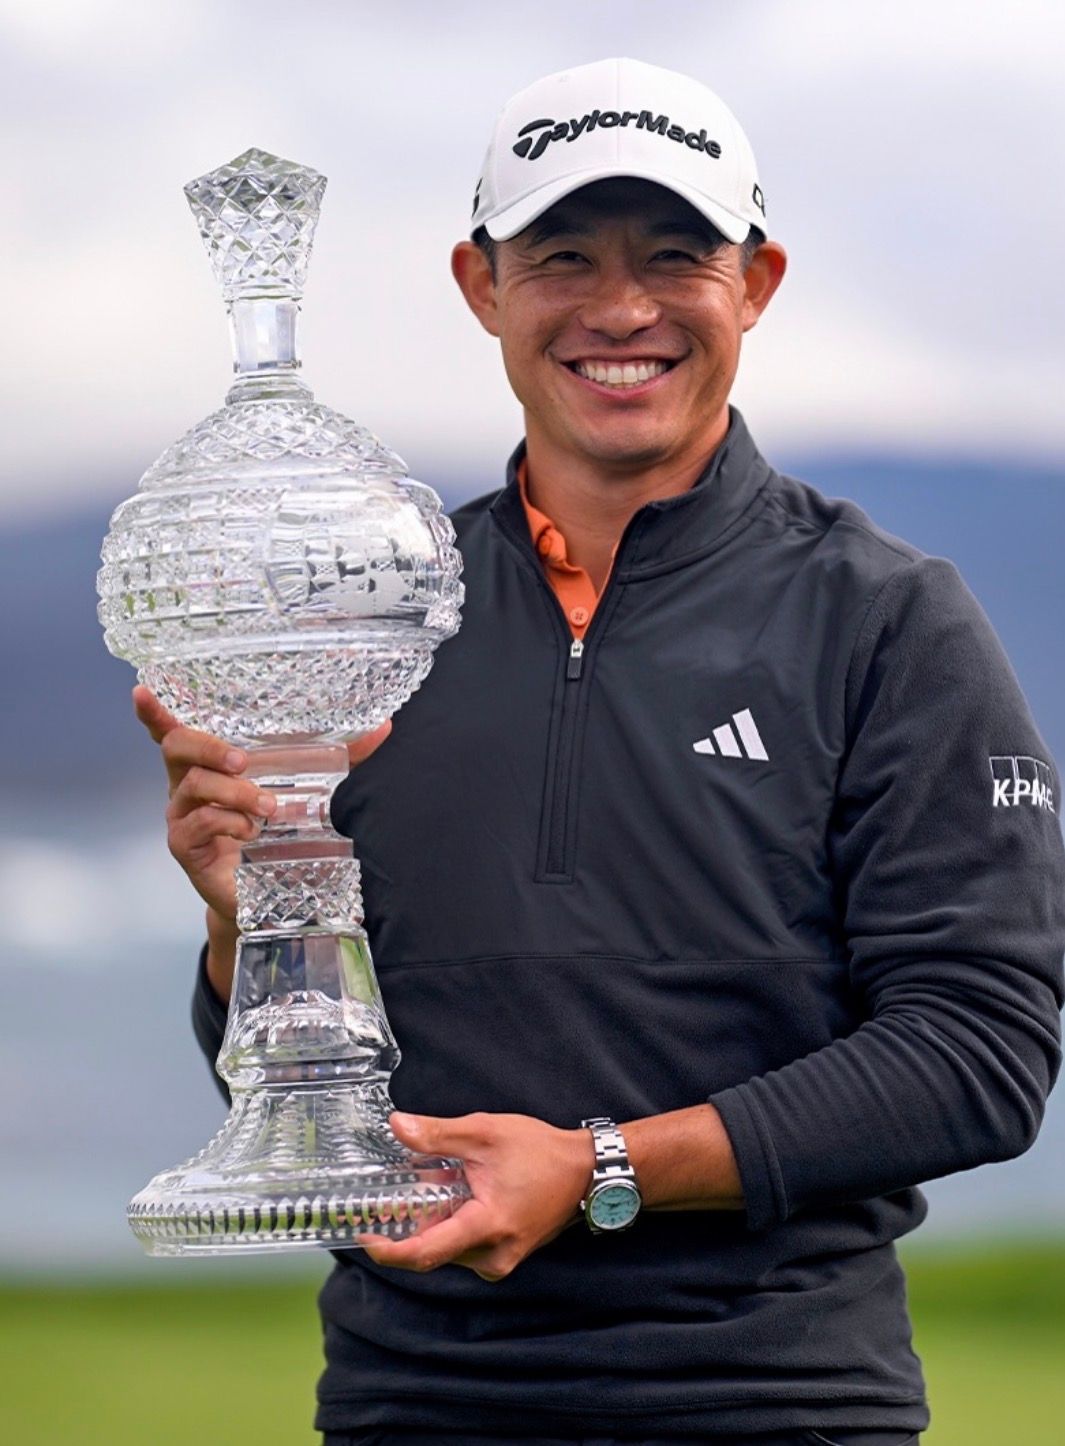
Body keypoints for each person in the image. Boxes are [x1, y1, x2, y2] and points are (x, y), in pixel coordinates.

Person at [134, 57, 1065, 1446]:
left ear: (754, 282)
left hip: (777, 1404)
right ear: (479, 286)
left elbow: (979, 1051)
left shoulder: (885, 617)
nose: (620, 308)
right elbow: (285, 1078)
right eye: (562, 254)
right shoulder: (373, 619)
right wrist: (243, 927)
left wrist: (599, 1168)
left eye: (675, 256)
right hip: (409, 1403)